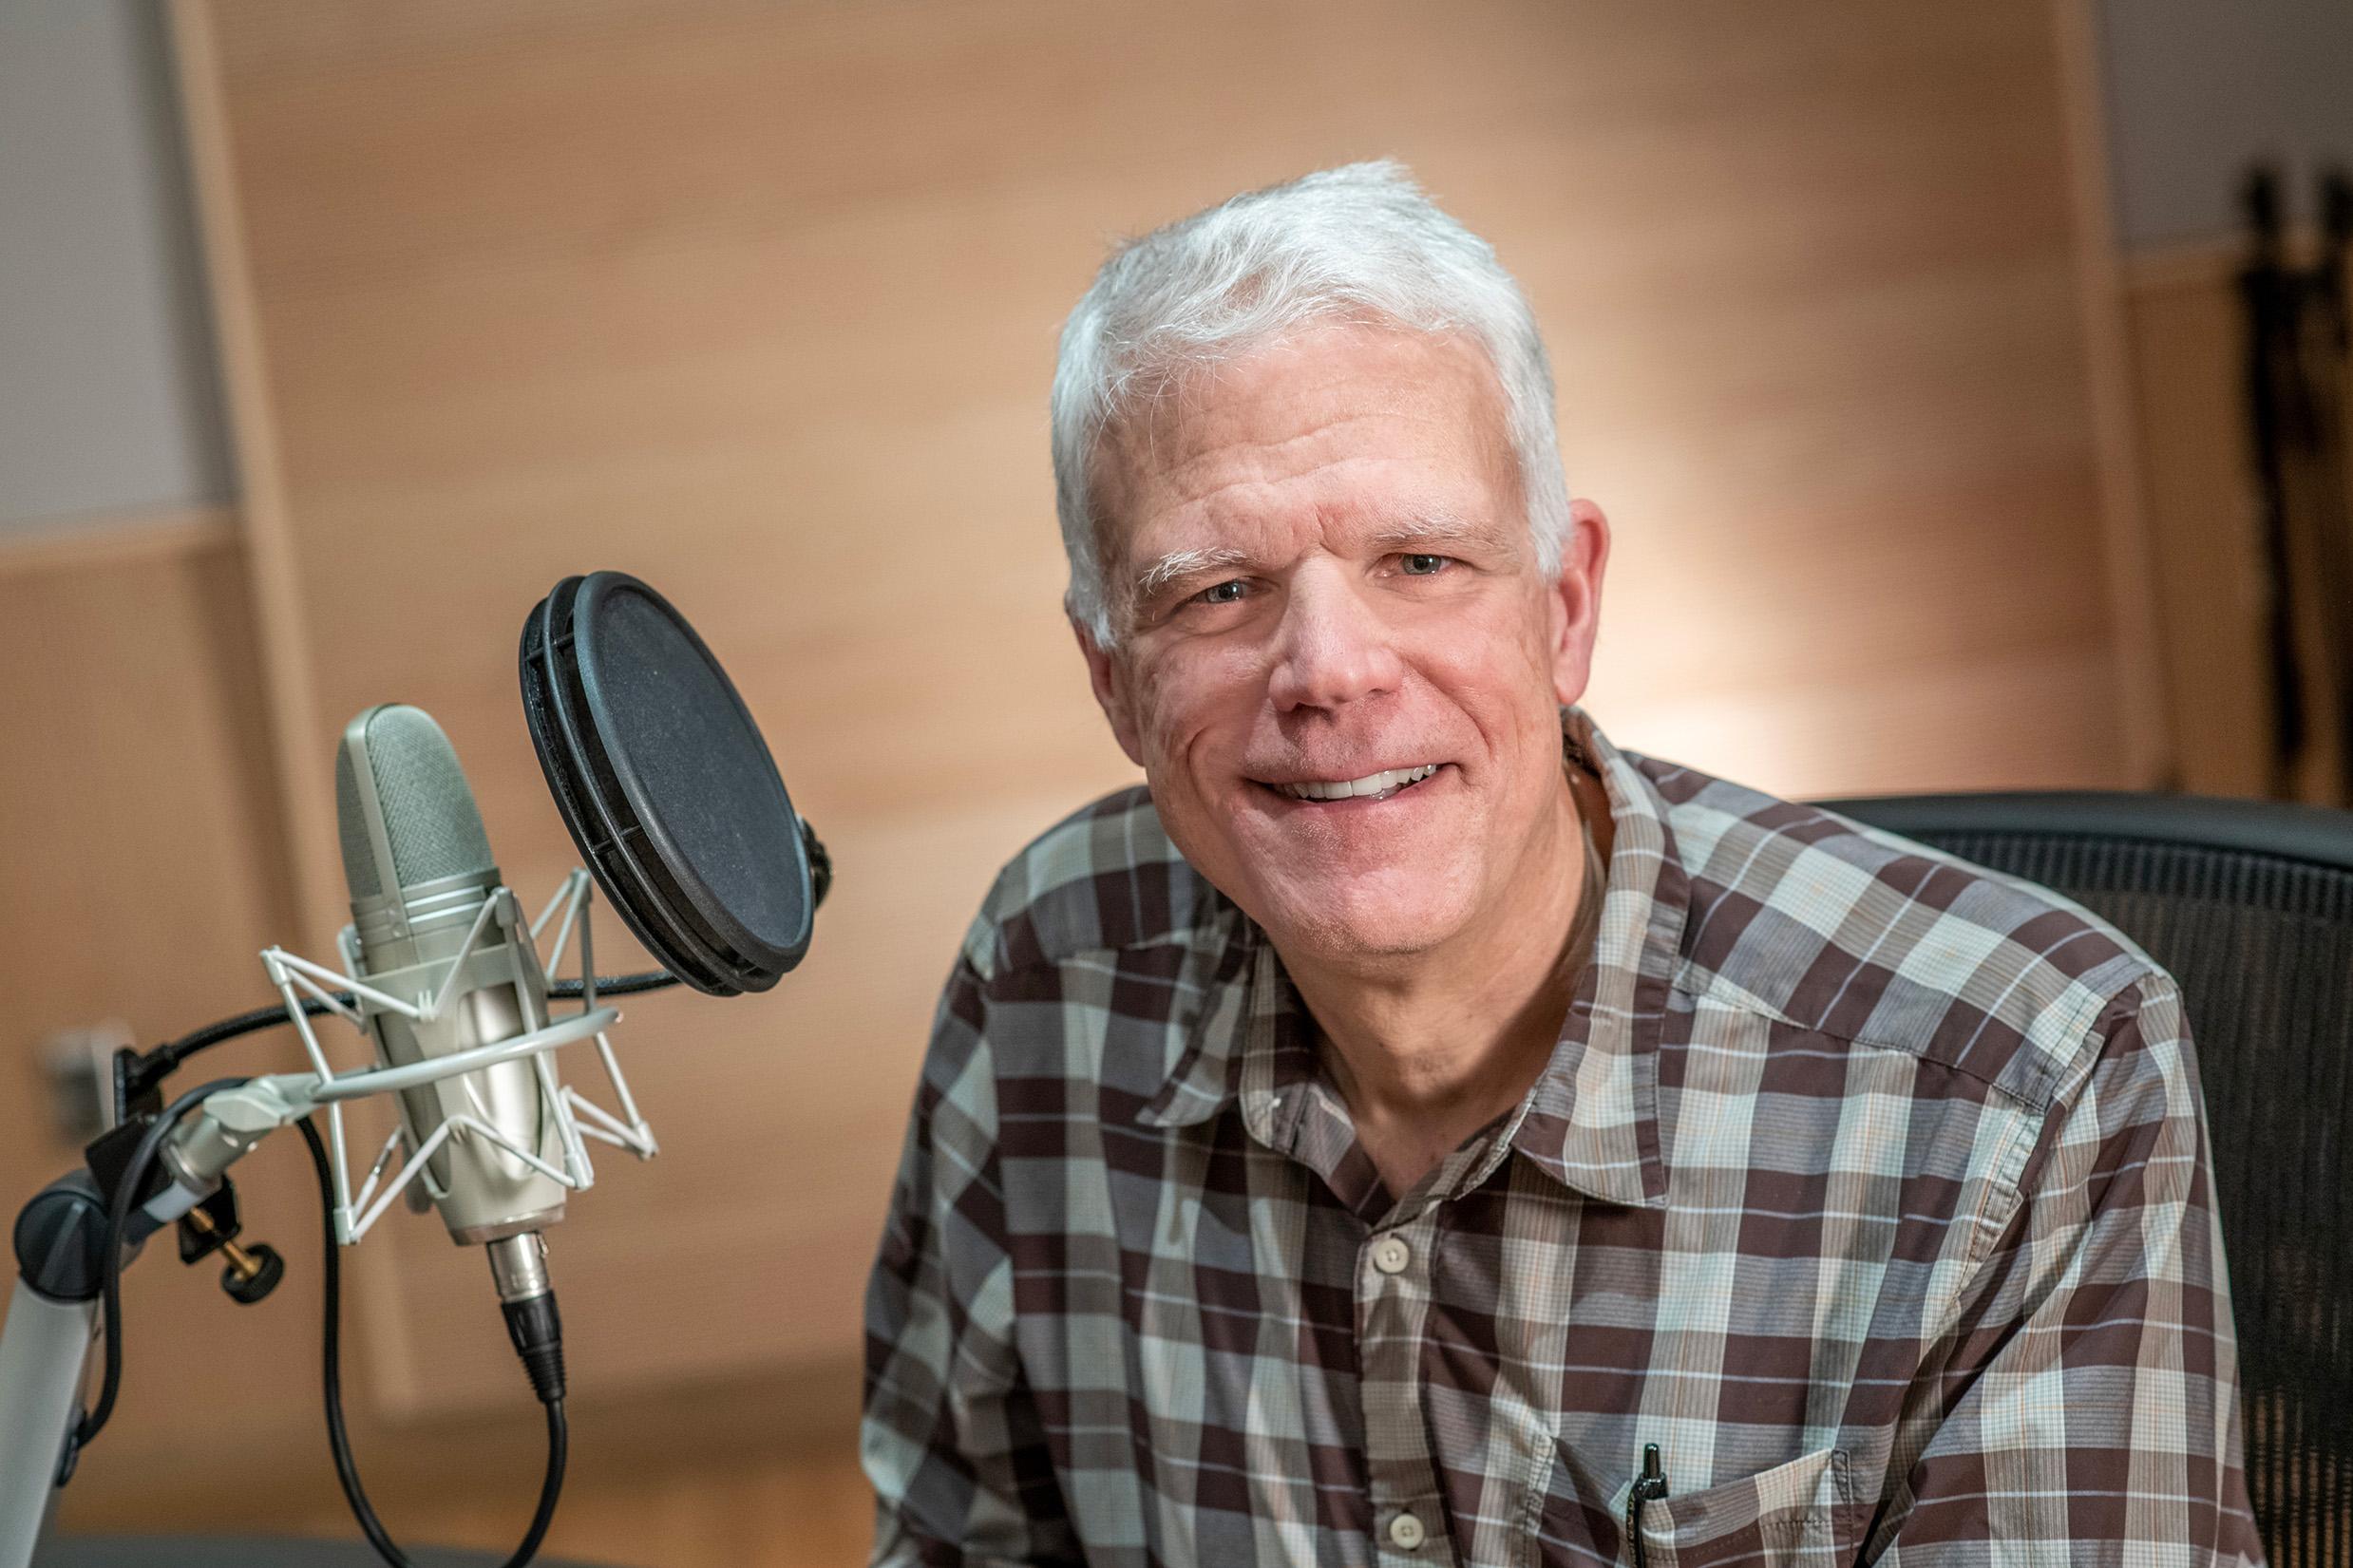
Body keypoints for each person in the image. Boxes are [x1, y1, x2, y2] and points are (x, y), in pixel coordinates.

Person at [861, 161, 2262, 1567]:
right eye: (1218, 590)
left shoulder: (2027, 1077)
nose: (1329, 672)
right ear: (1111, 681)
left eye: (1419, 561)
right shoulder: (1042, 975)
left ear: (1564, 605)